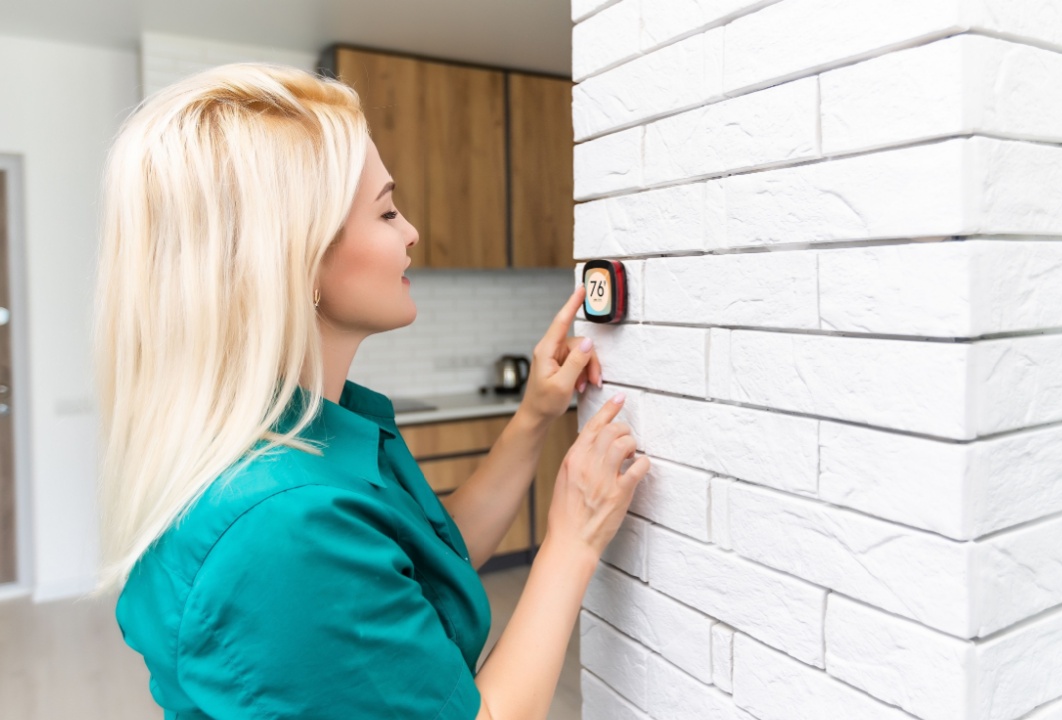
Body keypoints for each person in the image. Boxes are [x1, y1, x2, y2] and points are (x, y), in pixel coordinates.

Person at [91, 62, 649, 719]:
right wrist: (572, 540)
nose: (410, 231)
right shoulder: (284, 530)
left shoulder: (304, 434)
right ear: (294, 260)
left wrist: (533, 416)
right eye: (386, 210)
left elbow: (427, 562)